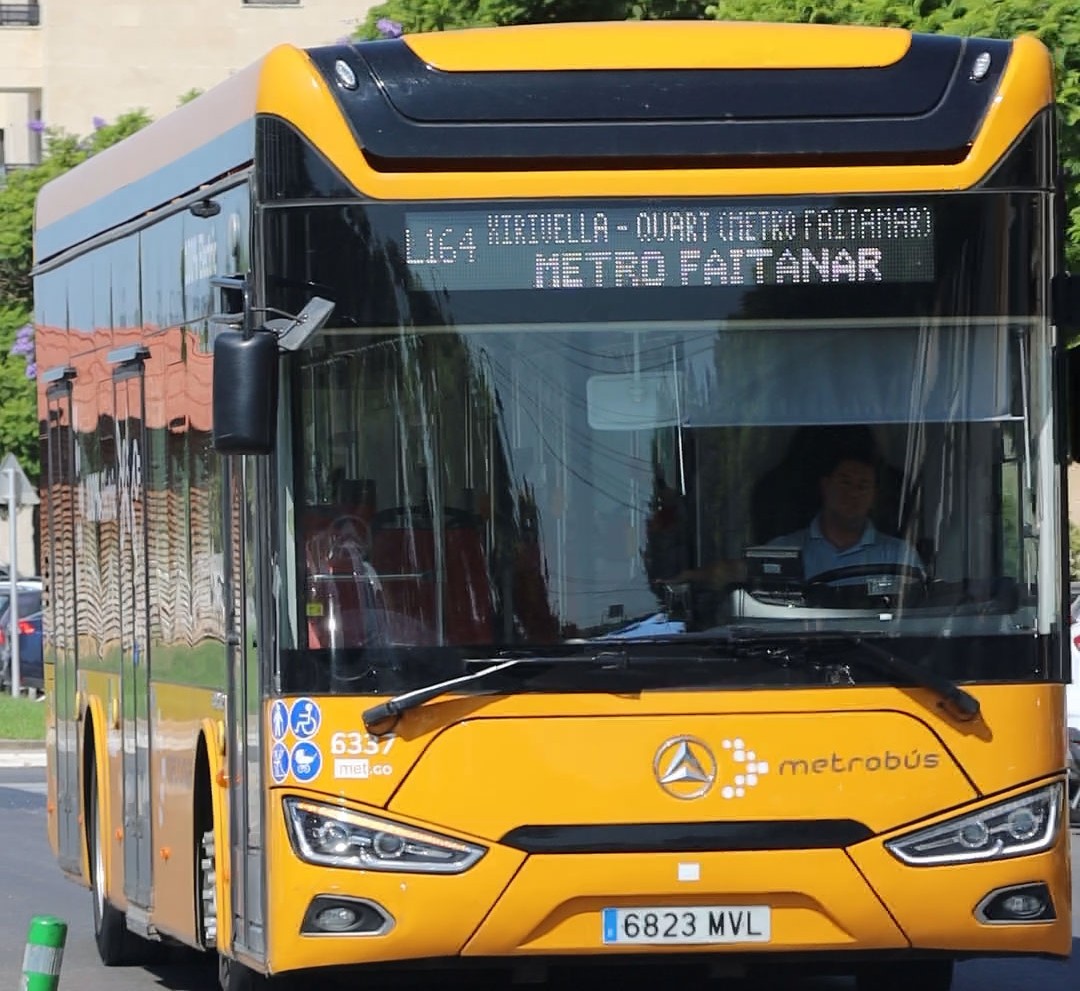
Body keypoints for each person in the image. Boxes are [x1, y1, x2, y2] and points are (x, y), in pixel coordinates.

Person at [767, 448, 924, 582]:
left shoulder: (899, 556)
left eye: (863, 486)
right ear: (826, 486)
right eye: (845, 483)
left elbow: (918, 610)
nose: (853, 493)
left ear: (874, 496)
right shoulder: (782, 552)